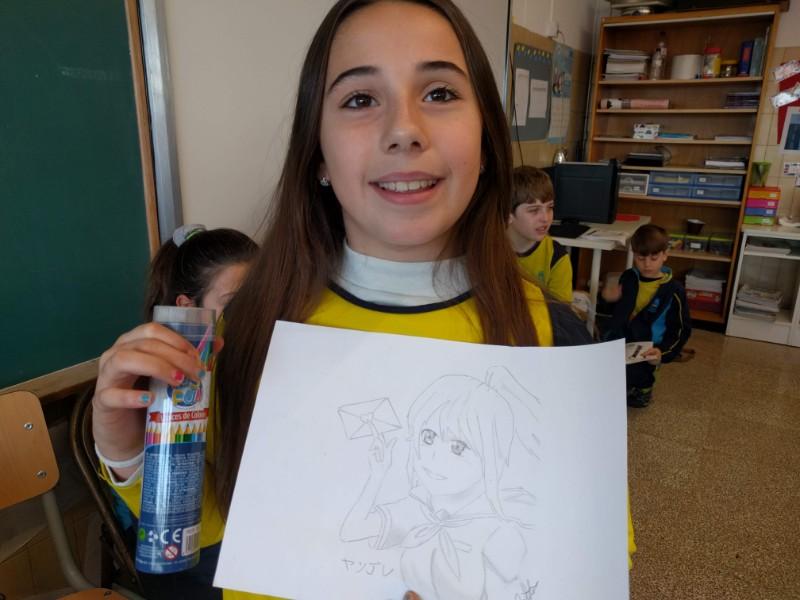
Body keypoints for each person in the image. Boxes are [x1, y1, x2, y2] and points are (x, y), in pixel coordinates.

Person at [90, 2, 625, 599]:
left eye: (440, 93)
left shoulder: (555, 342)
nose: (404, 129)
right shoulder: (250, 325)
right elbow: (219, 534)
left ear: (486, 139)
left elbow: (582, 572)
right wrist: (131, 454)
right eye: (360, 99)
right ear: (318, 153)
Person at [111, 224, 257, 599]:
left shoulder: (263, 357)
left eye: (264, 298)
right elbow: (197, 526)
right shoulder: (171, 386)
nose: (256, 315)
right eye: (236, 304)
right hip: (198, 549)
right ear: (187, 308)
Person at [341, 367, 541, 599]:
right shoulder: (418, 509)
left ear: (491, 458)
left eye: (458, 447)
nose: (434, 458)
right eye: (428, 437)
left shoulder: (496, 531)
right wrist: (377, 475)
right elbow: (352, 530)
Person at [600, 223, 691, 407]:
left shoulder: (674, 291)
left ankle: (643, 391)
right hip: (622, 338)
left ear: (665, 254)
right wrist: (607, 298)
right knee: (606, 371)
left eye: (654, 258)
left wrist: (663, 352)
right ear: (634, 255)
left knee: (640, 374)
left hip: (649, 345)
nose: (647, 264)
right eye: (641, 258)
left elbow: (681, 328)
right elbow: (614, 311)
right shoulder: (629, 277)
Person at [507, 165, 573, 303]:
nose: (546, 218)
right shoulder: (488, 251)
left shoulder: (556, 257)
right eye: (534, 210)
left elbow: (561, 312)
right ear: (508, 215)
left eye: (550, 207)